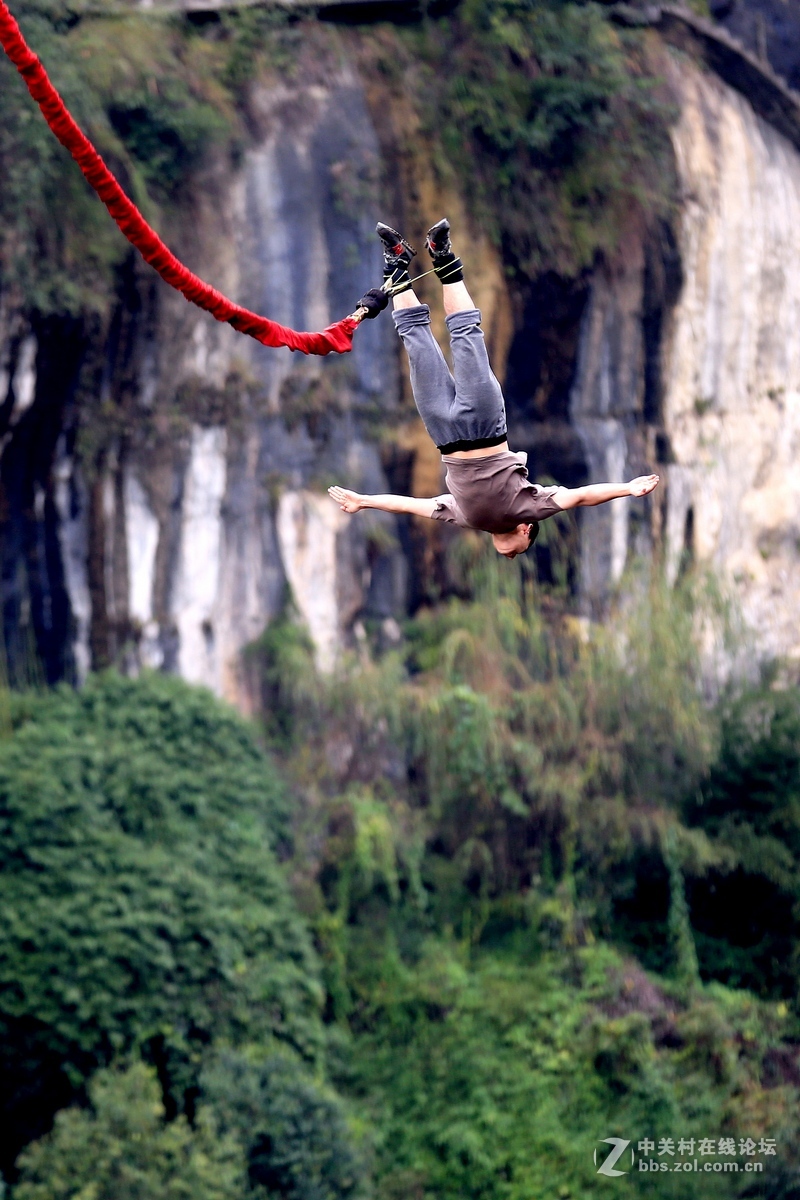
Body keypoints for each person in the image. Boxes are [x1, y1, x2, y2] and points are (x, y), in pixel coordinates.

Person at [330, 220, 659, 559]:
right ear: (526, 532)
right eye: (518, 553)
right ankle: (442, 256)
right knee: (466, 336)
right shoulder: (532, 506)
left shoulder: (467, 518)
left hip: (443, 432)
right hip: (486, 425)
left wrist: (364, 501)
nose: (509, 555)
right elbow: (581, 496)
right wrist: (627, 489)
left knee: (415, 342)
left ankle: (396, 262)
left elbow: (412, 505)